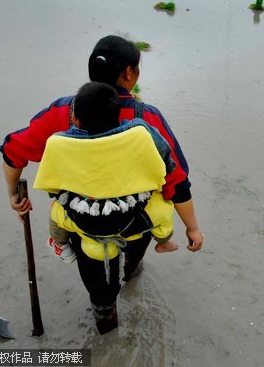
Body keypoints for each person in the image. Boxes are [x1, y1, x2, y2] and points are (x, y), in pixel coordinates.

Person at [0, 35, 203, 333]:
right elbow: (177, 182)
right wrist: (192, 227)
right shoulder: (147, 119)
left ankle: (107, 325)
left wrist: (13, 197)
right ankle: (131, 274)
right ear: (129, 74)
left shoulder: (64, 114)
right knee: (131, 264)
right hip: (137, 224)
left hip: (84, 227)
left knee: (101, 292)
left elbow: (12, 151)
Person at [41, 82, 179, 265]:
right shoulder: (140, 133)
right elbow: (168, 165)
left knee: (55, 213)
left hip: (83, 221)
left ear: (75, 118)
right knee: (163, 209)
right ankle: (164, 242)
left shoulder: (58, 143)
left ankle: (61, 245)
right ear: (118, 115)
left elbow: (52, 189)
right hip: (130, 216)